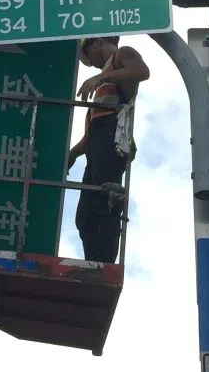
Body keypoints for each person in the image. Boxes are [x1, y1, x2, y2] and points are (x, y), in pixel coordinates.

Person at [67, 36, 149, 263]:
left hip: (111, 137)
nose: (91, 64)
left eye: (89, 58)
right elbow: (90, 135)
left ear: (96, 42)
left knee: (106, 202)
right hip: (97, 142)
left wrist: (101, 76)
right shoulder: (103, 80)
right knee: (84, 217)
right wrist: (72, 155)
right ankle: (95, 264)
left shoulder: (122, 54)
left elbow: (142, 71)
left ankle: (104, 264)